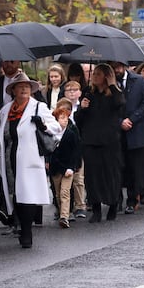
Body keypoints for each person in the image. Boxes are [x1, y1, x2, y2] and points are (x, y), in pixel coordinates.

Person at [0, 72, 62, 248]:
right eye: (20, 86)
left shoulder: (39, 107)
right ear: (14, 91)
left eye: (27, 86)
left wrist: (43, 125)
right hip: (10, 157)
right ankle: (18, 225)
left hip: (29, 157)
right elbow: (0, 133)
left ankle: (26, 230)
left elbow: (57, 127)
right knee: (15, 194)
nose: (24, 89)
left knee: (28, 195)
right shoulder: (6, 110)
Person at [75, 63, 125, 222]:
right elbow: (79, 120)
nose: (94, 76)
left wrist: (112, 84)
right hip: (90, 140)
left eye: (98, 74)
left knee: (111, 174)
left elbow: (120, 103)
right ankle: (95, 208)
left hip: (109, 141)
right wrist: (82, 108)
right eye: (93, 73)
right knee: (92, 176)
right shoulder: (88, 93)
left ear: (106, 76)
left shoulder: (114, 93)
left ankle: (113, 205)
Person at [111, 60, 144, 212]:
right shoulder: (109, 83)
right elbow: (106, 108)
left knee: (134, 168)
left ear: (124, 66)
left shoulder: (139, 81)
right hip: (117, 132)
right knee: (117, 167)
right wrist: (119, 122)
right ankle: (116, 200)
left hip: (136, 130)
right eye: (113, 67)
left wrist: (132, 119)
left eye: (118, 67)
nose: (116, 70)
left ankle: (132, 200)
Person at [48, 103, 83, 228]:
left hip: (68, 167)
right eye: (62, 118)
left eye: (66, 118)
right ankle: (61, 211)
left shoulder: (71, 134)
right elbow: (48, 151)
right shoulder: (51, 135)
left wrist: (72, 167)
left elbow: (75, 151)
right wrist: (47, 162)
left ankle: (65, 216)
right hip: (55, 168)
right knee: (57, 193)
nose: (65, 120)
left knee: (65, 192)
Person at [60, 79, 88, 220]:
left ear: (80, 92)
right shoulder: (61, 106)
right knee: (64, 180)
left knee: (79, 178)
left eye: (74, 90)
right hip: (65, 146)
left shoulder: (82, 105)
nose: (72, 92)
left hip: (79, 145)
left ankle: (80, 205)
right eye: (68, 90)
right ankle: (65, 207)